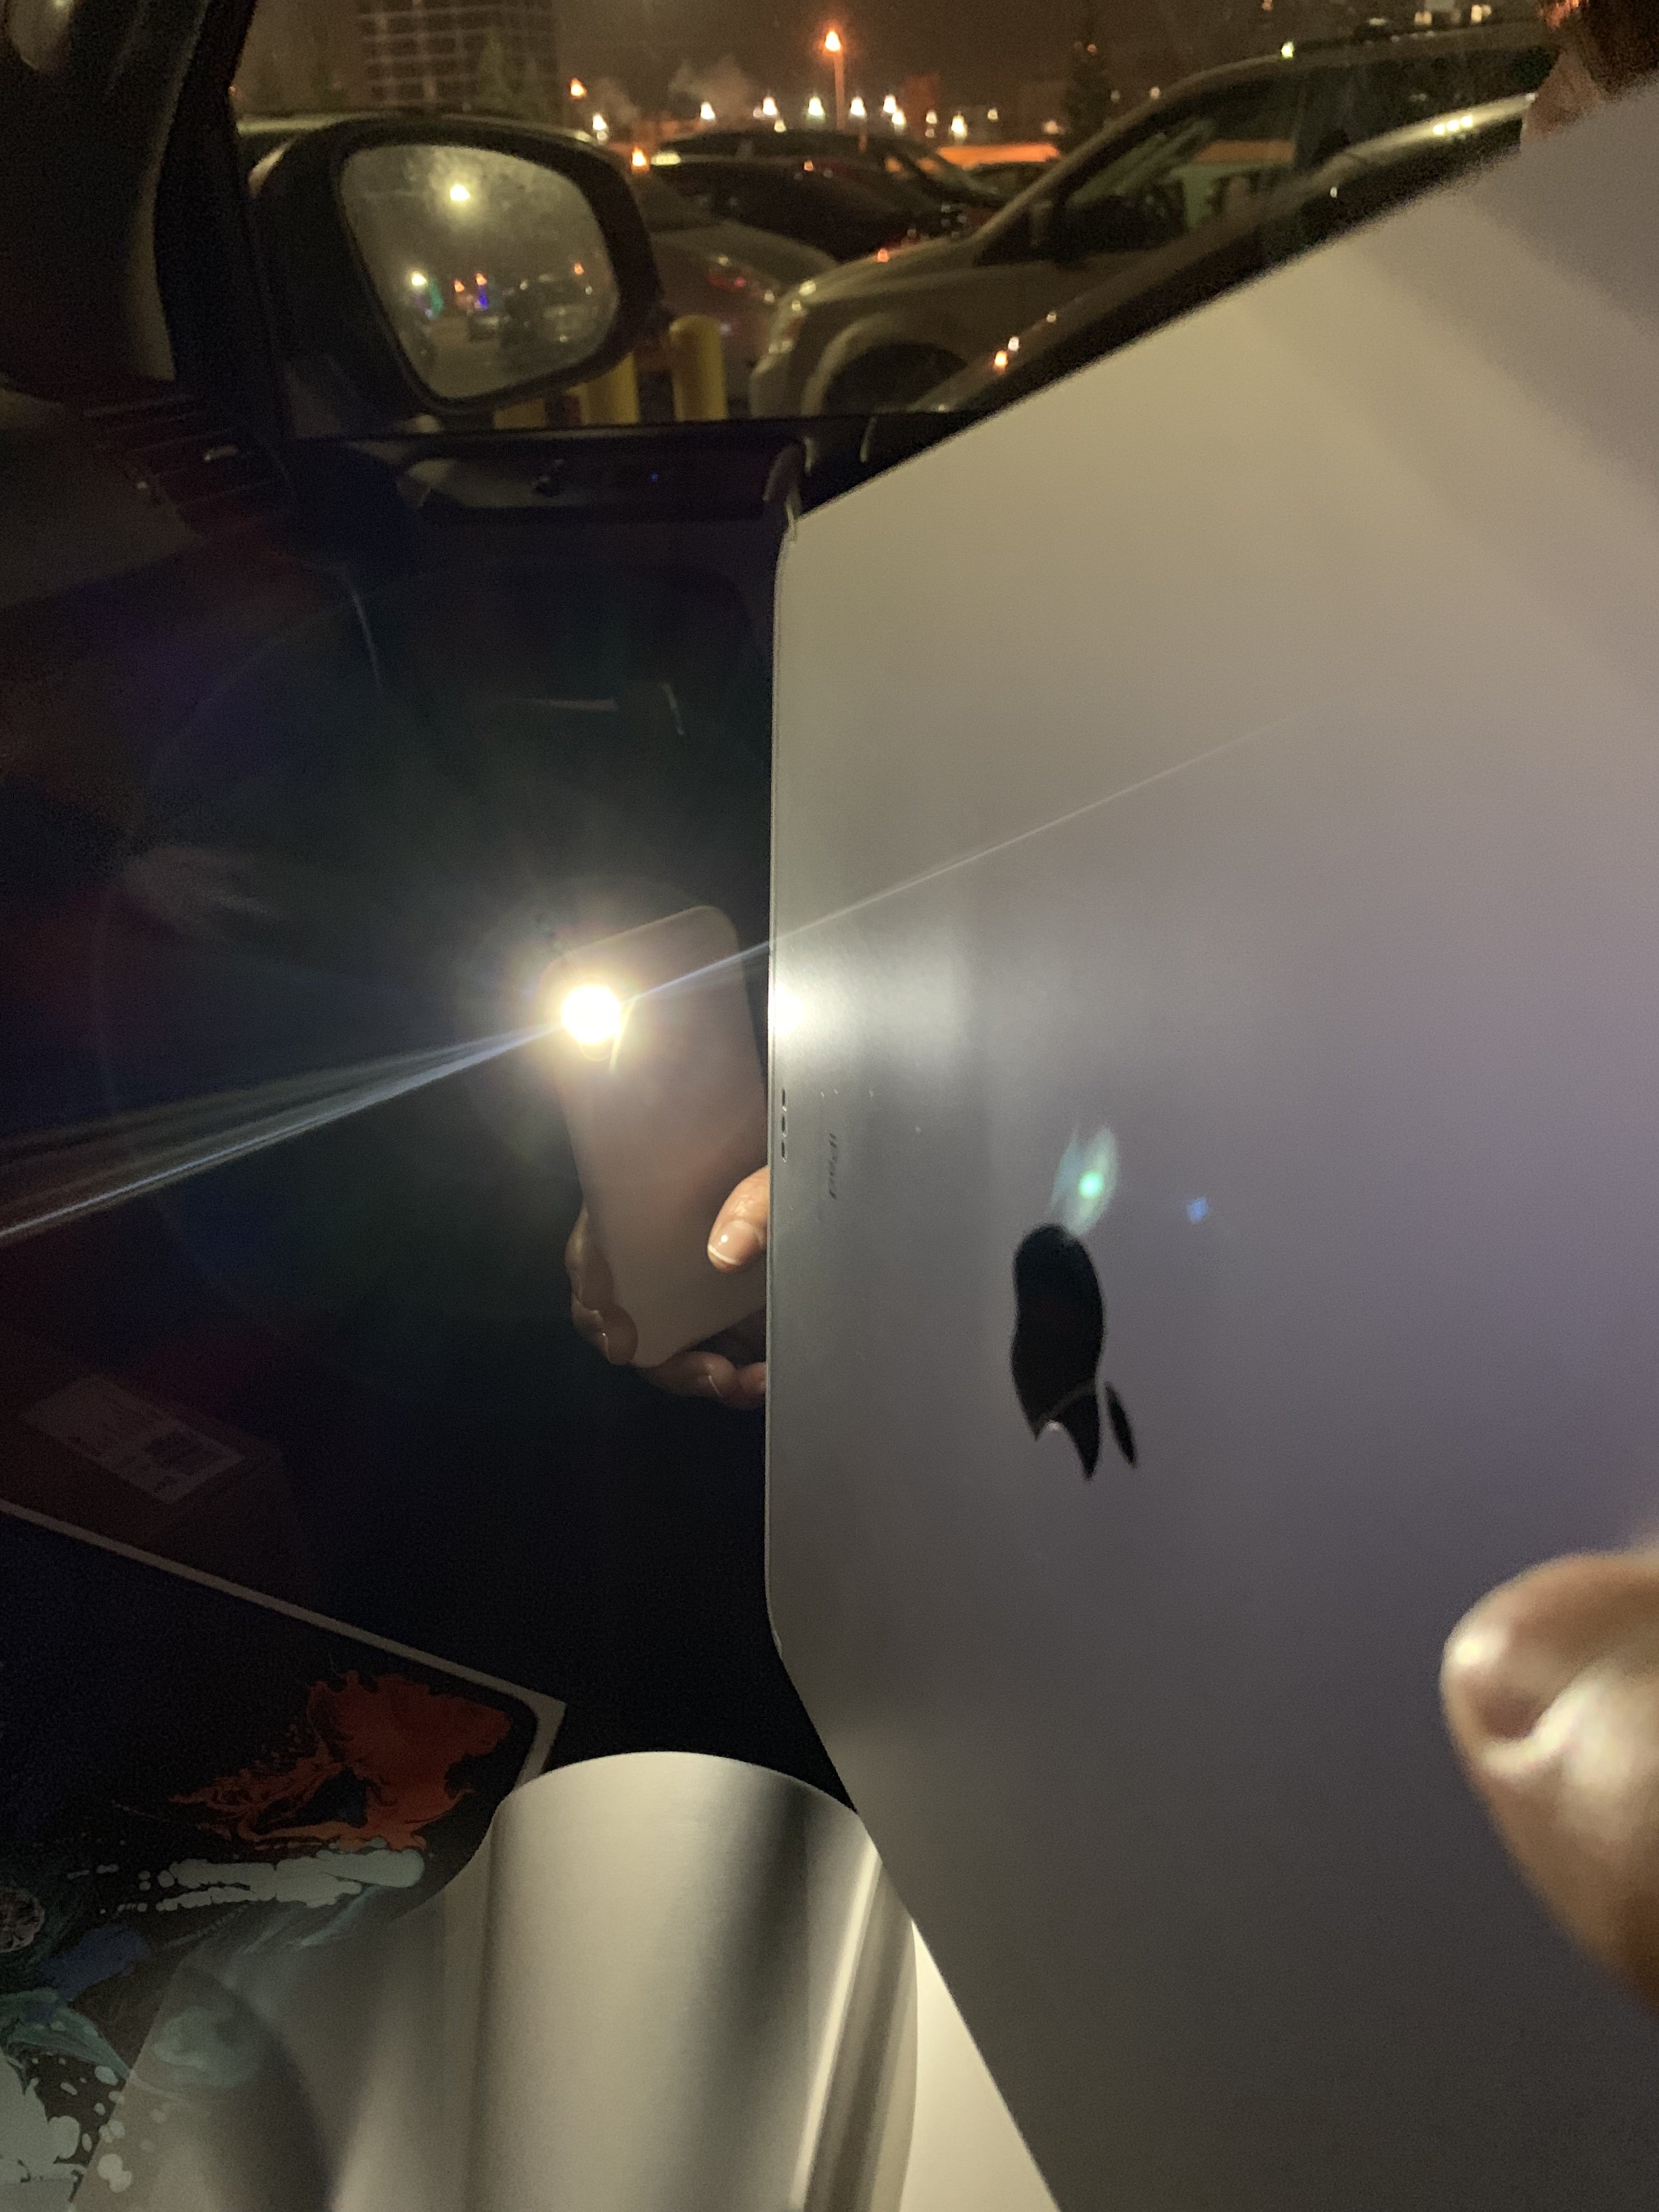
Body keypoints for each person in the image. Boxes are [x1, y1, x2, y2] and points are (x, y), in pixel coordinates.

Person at [568, 0, 1659, 2027]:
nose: (1553, 147)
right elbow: (1208, 1124)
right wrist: (878, 1237)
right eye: (1571, 98)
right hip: (1122, 1790)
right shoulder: (1381, 651)